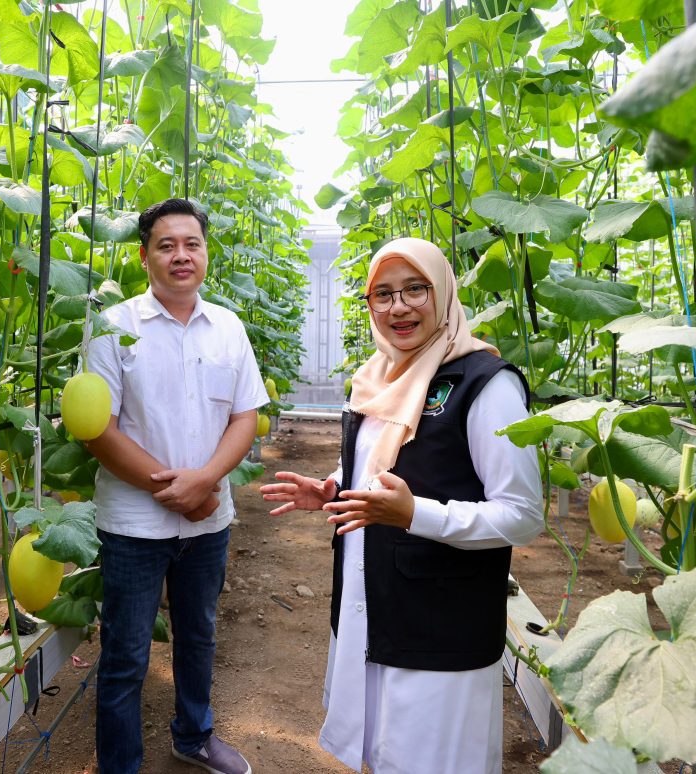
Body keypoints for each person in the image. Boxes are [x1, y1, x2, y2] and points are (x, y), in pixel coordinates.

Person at [260, 237, 544, 773]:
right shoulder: (375, 376)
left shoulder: (487, 386)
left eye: (416, 289)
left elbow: (523, 515)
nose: (399, 307)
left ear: (443, 293)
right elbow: (378, 466)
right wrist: (333, 488)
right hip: (374, 607)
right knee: (386, 756)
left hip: (442, 625)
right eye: (383, 294)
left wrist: (417, 515)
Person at [83, 198, 266, 774]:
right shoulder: (113, 326)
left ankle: (193, 736)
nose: (181, 255)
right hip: (135, 525)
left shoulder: (228, 328)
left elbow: (245, 418)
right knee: (125, 656)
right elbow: (97, 430)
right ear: (145, 257)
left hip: (209, 520)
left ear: (206, 253)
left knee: (198, 637)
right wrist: (178, 491)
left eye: (192, 244)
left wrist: (206, 483)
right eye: (166, 245)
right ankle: (121, 767)